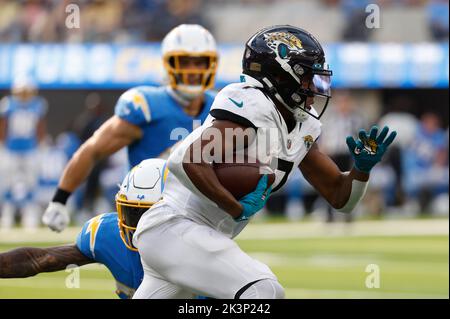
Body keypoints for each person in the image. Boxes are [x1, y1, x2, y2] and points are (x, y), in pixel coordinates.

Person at [132, 25, 397, 299]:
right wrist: (236, 208)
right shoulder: (253, 104)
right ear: (281, 74)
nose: (313, 86)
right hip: (175, 225)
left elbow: (341, 198)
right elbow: (191, 161)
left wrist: (361, 170)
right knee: (263, 291)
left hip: (192, 235)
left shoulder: (302, 126)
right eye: (307, 76)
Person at [42, 24, 219, 232]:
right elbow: (93, 150)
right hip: (146, 216)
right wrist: (59, 199)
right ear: (169, 64)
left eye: (200, 62)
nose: (193, 70)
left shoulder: (219, 107)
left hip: (200, 216)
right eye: (185, 62)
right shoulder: (147, 107)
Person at [0, 159, 166, 299]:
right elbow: (42, 260)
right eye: (134, 212)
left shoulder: (191, 242)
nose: (140, 225)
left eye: (149, 214)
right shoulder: (108, 236)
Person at [0, 76, 47, 230]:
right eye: (22, 91)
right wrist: (2, 144)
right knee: (7, 183)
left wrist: (41, 144)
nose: (25, 95)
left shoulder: (37, 105)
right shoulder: (9, 105)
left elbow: (40, 126)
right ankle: (7, 216)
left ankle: (30, 217)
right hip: (11, 149)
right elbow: (3, 126)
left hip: (30, 149)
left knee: (31, 183)